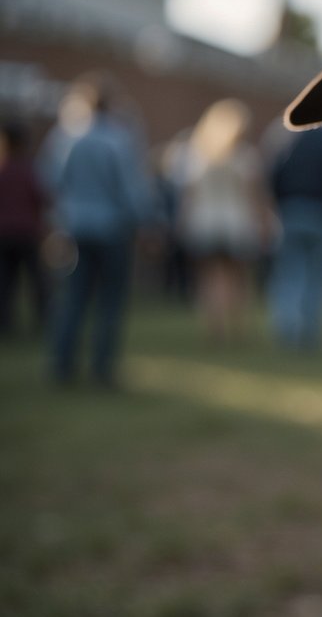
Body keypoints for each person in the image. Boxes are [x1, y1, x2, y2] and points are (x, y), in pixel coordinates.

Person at [40, 73, 155, 387]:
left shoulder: (64, 137)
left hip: (73, 228)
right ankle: (102, 369)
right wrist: (145, 222)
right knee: (110, 300)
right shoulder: (119, 138)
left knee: (73, 297)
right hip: (112, 229)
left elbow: (49, 182)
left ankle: (62, 365)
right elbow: (132, 188)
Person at [177, 99, 268, 341]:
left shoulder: (197, 154)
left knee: (209, 278)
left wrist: (183, 221)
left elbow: (189, 194)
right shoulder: (245, 156)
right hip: (236, 224)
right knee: (237, 279)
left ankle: (215, 329)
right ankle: (238, 329)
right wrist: (263, 222)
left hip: (204, 222)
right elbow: (253, 196)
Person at [265, 118, 322, 349]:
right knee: (317, 277)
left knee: (290, 274)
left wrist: (278, 203)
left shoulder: (285, 135)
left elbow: (274, 173)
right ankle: (308, 333)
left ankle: (288, 328)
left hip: (291, 211)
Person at [0, 121, 49, 337]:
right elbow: (42, 198)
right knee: (36, 281)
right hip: (27, 233)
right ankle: (44, 322)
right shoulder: (30, 169)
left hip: (5, 235)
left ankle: (6, 325)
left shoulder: (6, 169)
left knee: (5, 283)